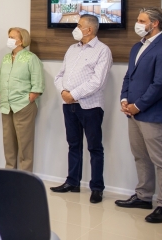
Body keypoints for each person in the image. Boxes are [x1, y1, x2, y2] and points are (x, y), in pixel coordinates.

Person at [52, 14, 112, 204]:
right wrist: (63, 91)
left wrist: (74, 94)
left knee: (95, 148)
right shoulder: (72, 49)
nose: (76, 28)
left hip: (90, 106)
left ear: (89, 29)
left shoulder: (103, 51)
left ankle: (97, 188)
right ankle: (72, 182)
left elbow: (98, 82)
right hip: (68, 105)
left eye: (79, 25)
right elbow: (60, 74)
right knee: (73, 145)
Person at [116, 7, 162, 223]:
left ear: (154, 23)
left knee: (160, 160)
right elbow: (129, 77)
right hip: (132, 112)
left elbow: (160, 83)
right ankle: (144, 196)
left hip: (152, 113)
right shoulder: (137, 46)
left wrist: (140, 105)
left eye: (141, 20)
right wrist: (124, 100)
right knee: (140, 156)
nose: (137, 23)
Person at [0, 27, 44, 172]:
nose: (9, 39)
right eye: (9, 36)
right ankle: (10, 172)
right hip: (6, 106)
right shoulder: (6, 58)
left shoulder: (31, 58)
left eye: (12, 37)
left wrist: (29, 98)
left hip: (23, 106)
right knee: (8, 142)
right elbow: (0, 82)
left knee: (24, 143)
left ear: (21, 40)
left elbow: (38, 84)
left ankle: (25, 175)